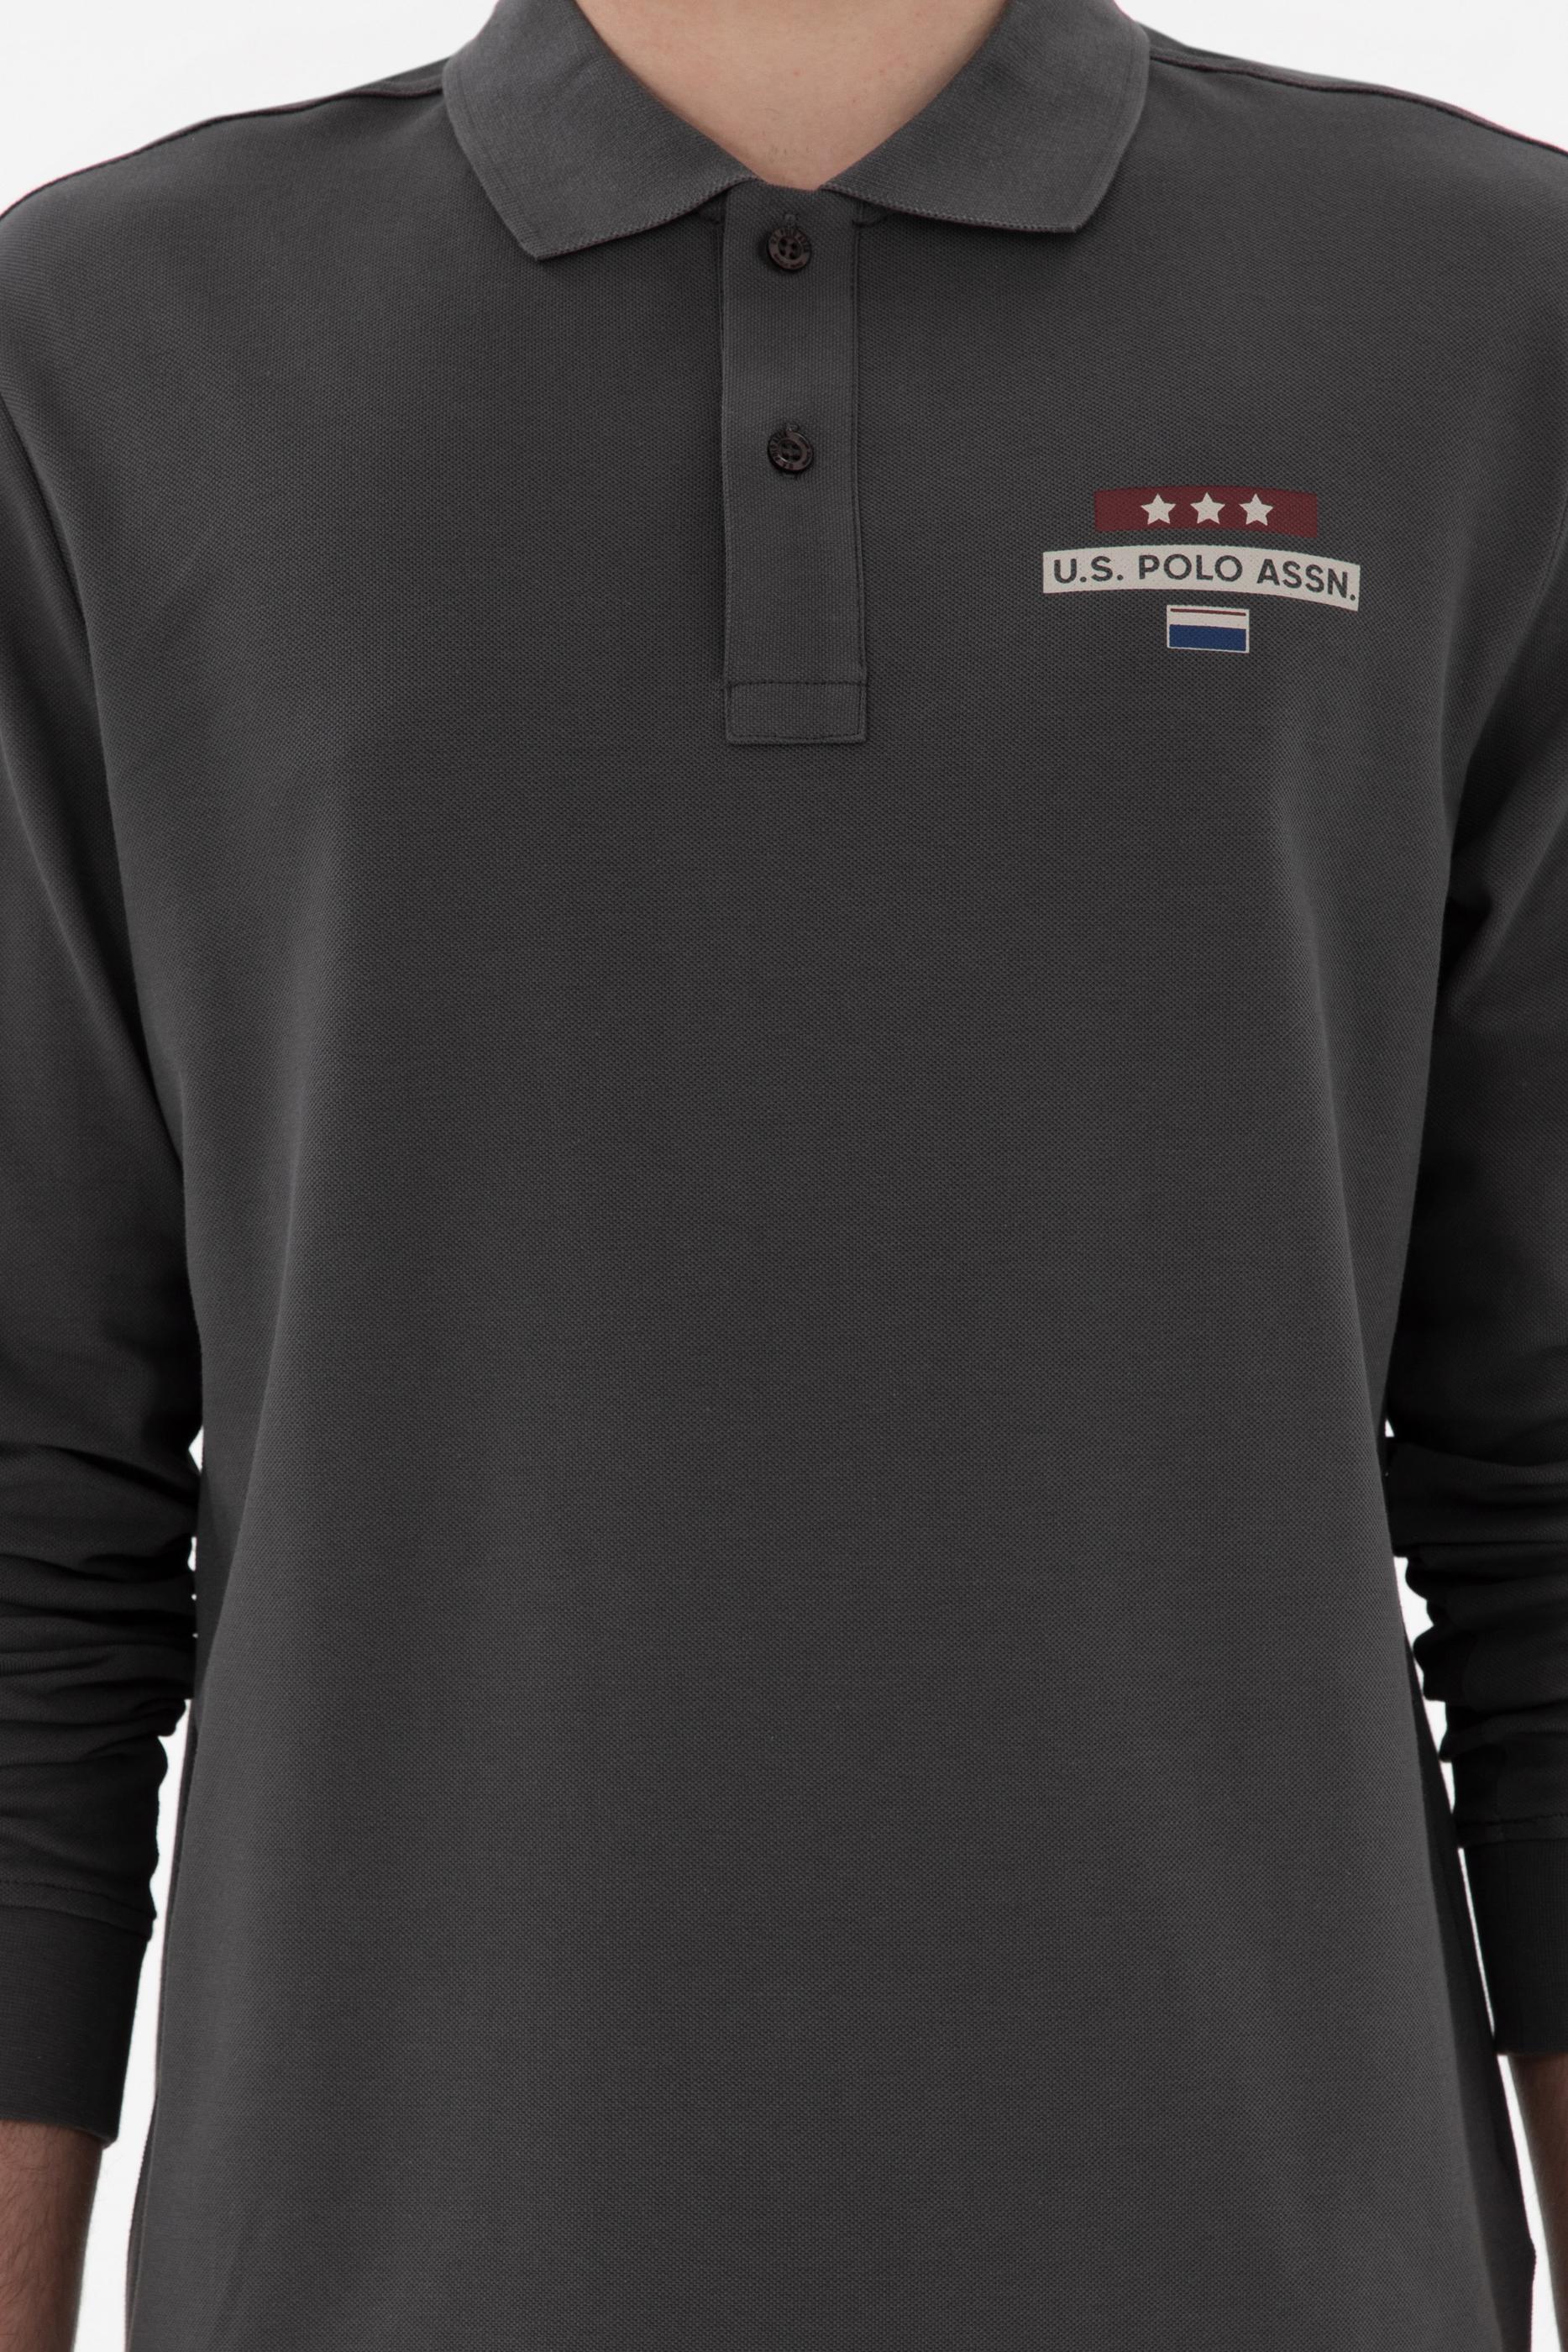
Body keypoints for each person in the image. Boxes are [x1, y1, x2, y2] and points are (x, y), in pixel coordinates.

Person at [3, 0, 1568, 2342]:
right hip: (388, 2270)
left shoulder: (1476, 304)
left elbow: (1547, 1483)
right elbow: (36, 1494)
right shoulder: (110, 338)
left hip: (1264, 2262)